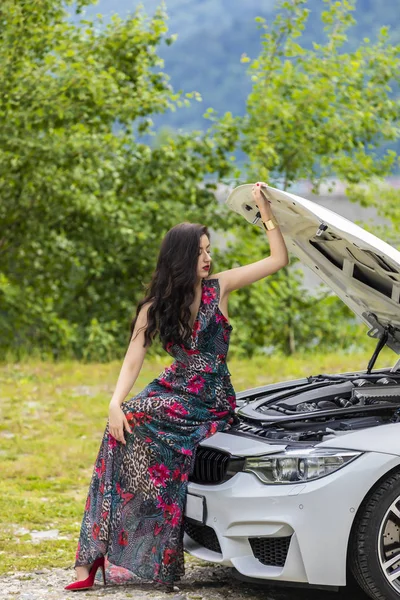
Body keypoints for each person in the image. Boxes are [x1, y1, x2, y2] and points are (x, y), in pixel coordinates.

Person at [64, 182, 288, 593]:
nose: (208, 257)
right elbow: (134, 356)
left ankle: (123, 555)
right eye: (201, 251)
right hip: (175, 389)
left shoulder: (219, 288)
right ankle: (95, 554)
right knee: (120, 426)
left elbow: (279, 258)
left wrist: (264, 211)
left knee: (135, 421)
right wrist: (113, 403)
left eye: (208, 249)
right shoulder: (156, 305)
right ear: (182, 257)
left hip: (211, 398)